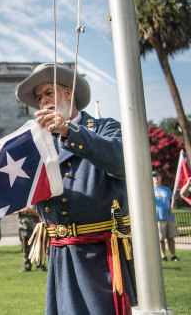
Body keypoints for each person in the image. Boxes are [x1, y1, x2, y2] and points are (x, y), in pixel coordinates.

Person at [15, 63, 136, 315]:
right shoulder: (38, 143)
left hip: (100, 254)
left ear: (69, 94)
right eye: (39, 98)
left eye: (49, 92)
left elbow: (123, 162)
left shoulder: (105, 128)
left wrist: (70, 132)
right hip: (62, 253)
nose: (43, 101)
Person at [153, 170, 179, 261]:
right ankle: (163, 256)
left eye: (157, 176)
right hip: (158, 218)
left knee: (171, 238)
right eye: (154, 176)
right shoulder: (150, 190)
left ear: (160, 177)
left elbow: (173, 204)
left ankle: (173, 255)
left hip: (169, 216)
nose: (156, 178)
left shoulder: (167, 189)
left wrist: (174, 199)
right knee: (161, 239)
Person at [16, 206, 46, 272]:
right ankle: (26, 266)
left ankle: (40, 266)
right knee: (25, 249)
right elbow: (12, 211)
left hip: (35, 228)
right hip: (24, 228)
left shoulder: (35, 202)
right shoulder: (21, 201)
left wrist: (31, 210)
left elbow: (40, 213)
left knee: (38, 248)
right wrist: (21, 210)